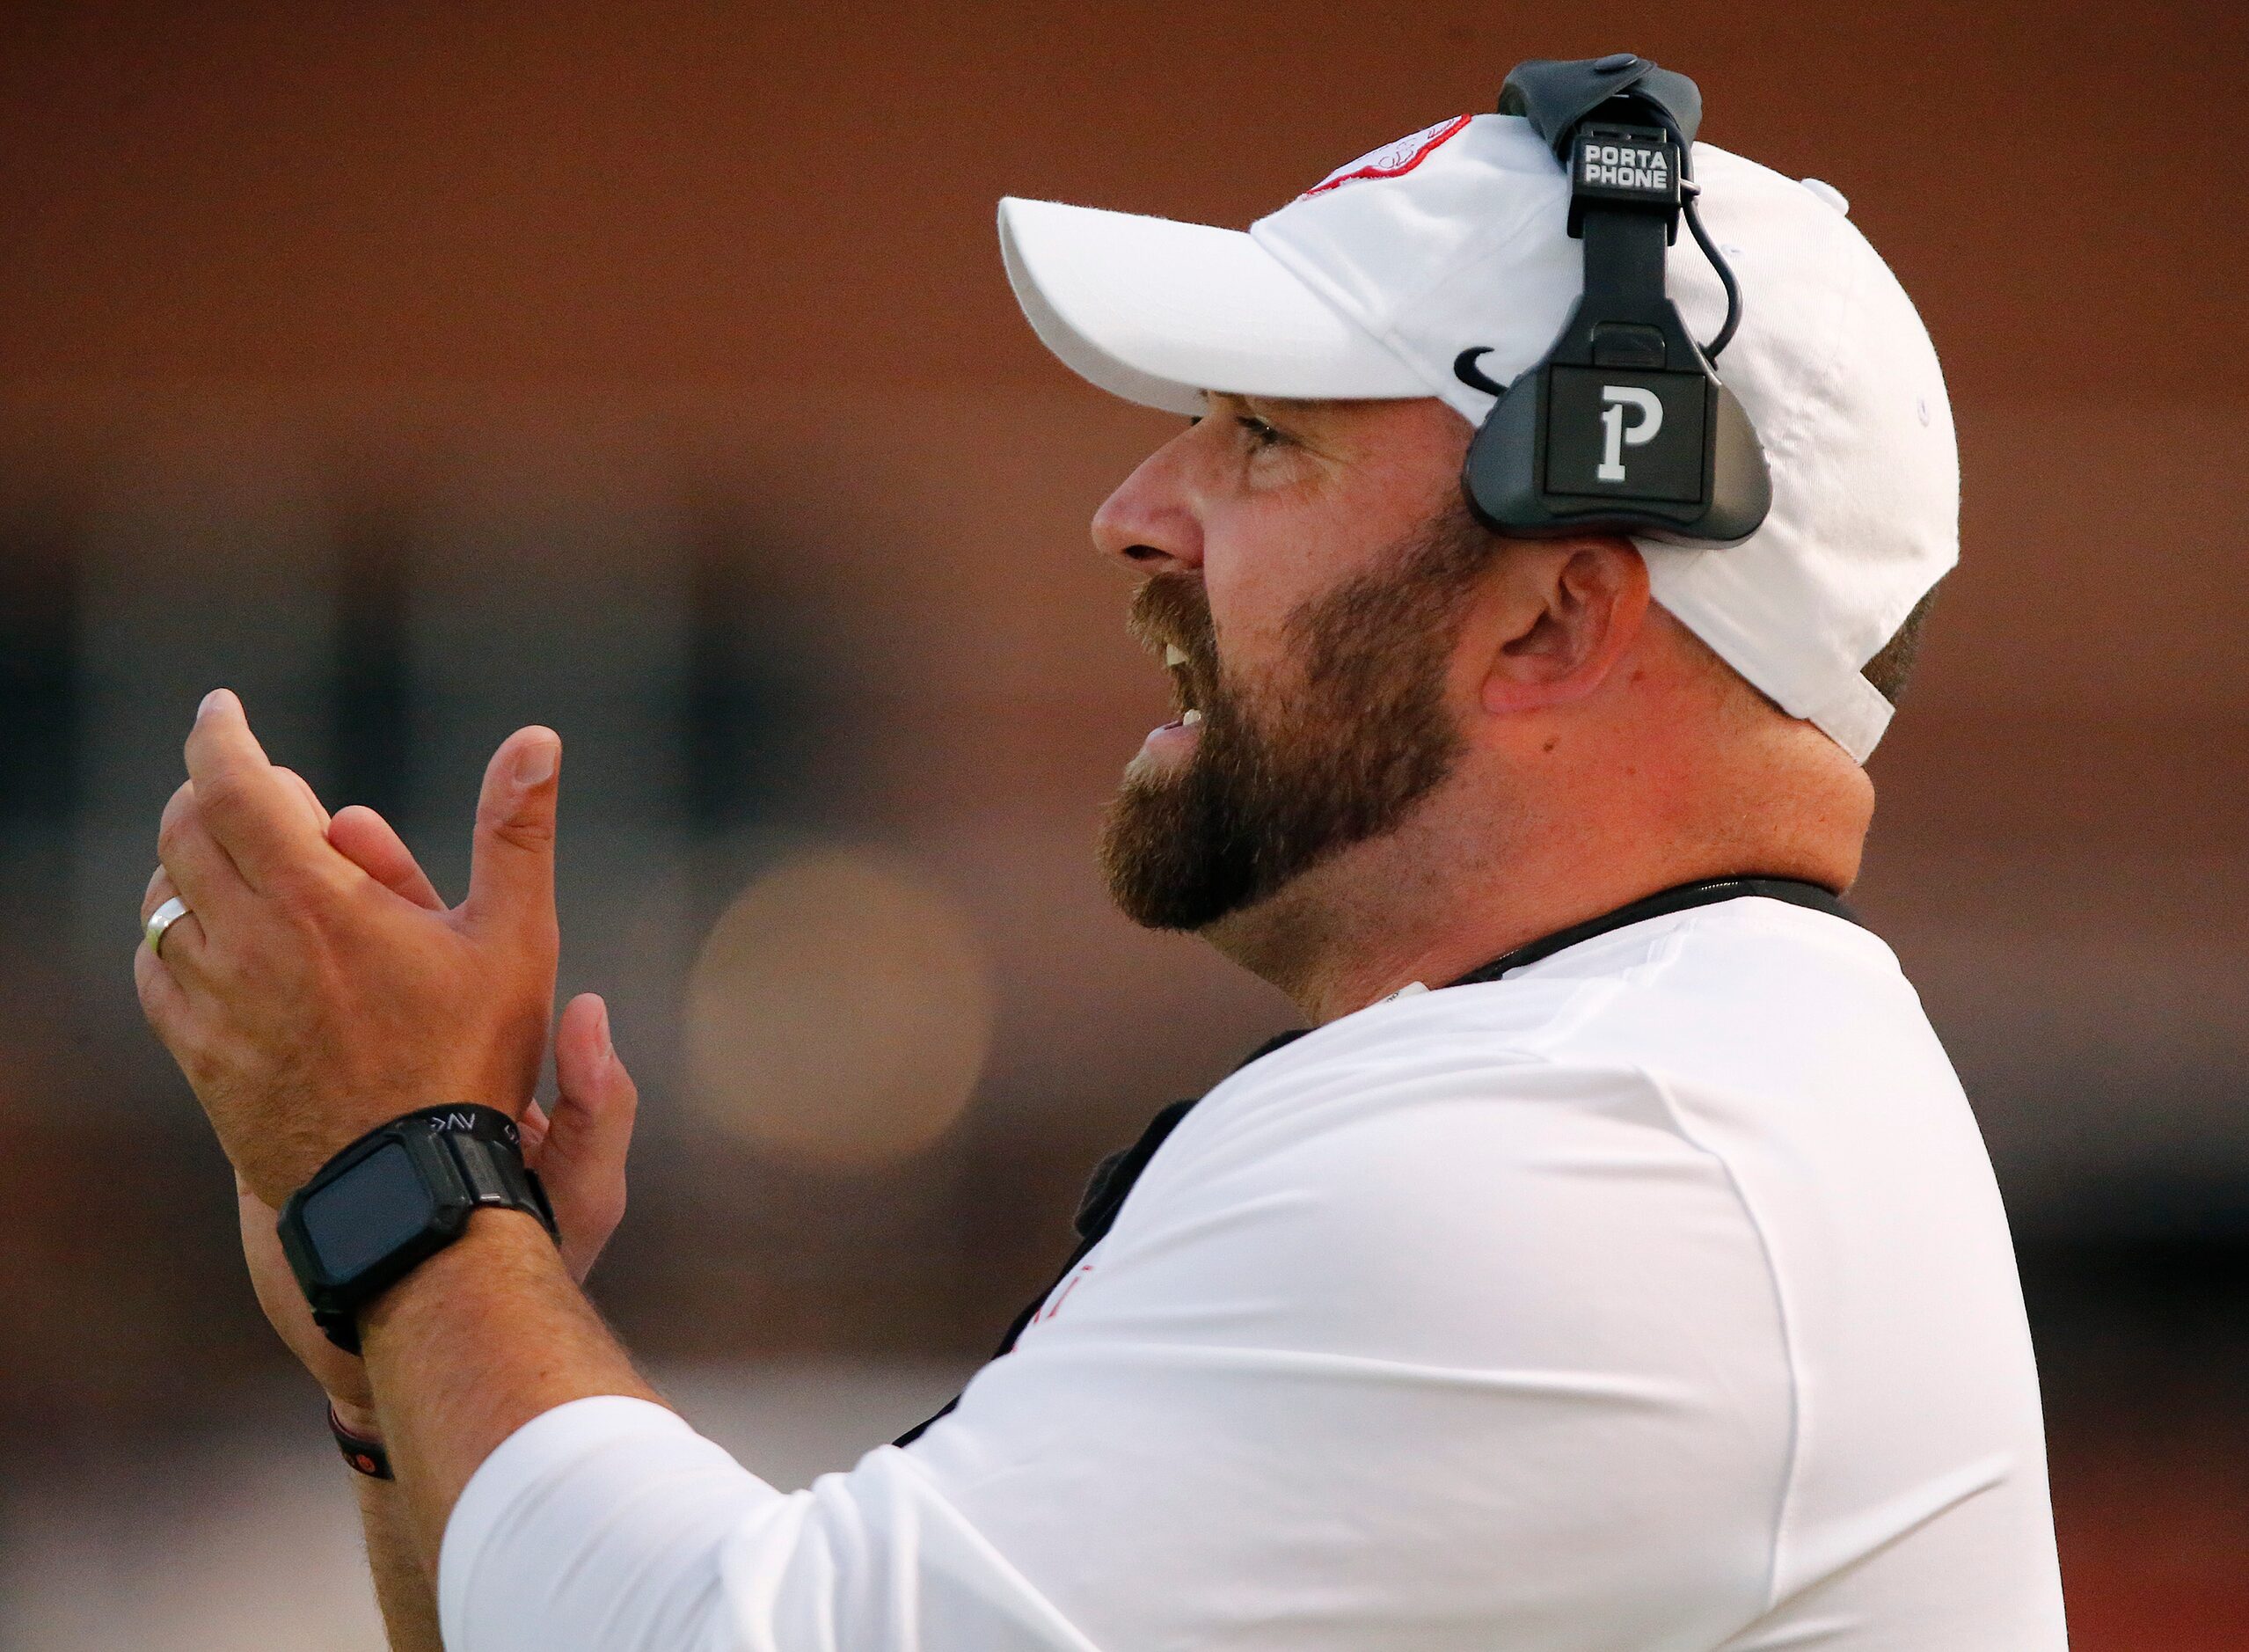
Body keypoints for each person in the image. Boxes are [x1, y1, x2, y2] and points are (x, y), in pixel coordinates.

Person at [135, 59, 2068, 1652]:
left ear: (1555, 624)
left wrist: (408, 1185)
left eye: (1264, 440)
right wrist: (409, 1347)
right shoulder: (1643, 1092)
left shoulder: (1600, 1149)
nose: (1132, 512)